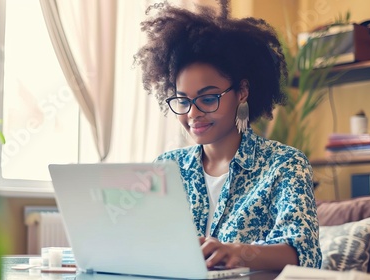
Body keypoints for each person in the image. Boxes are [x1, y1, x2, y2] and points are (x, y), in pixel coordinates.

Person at [134, 1, 321, 271]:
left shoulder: (284, 164)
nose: (193, 113)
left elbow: (304, 253)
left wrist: (239, 253)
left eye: (208, 98)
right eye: (183, 101)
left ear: (242, 92)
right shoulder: (167, 167)